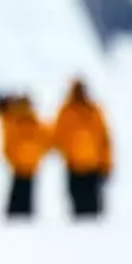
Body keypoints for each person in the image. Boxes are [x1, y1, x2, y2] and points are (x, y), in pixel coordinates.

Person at [53, 78, 112, 219]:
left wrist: (107, 164)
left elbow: (105, 140)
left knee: (93, 209)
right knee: (77, 207)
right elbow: (57, 136)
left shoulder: (94, 111)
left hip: (93, 166)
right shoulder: (66, 111)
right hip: (74, 166)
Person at [0, 96, 51, 219]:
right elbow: (47, 138)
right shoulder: (31, 120)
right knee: (24, 193)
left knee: (19, 193)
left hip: (21, 163)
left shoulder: (16, 120)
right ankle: (23, 214)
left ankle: (18, 215)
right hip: (27, 163)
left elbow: (8, 139)